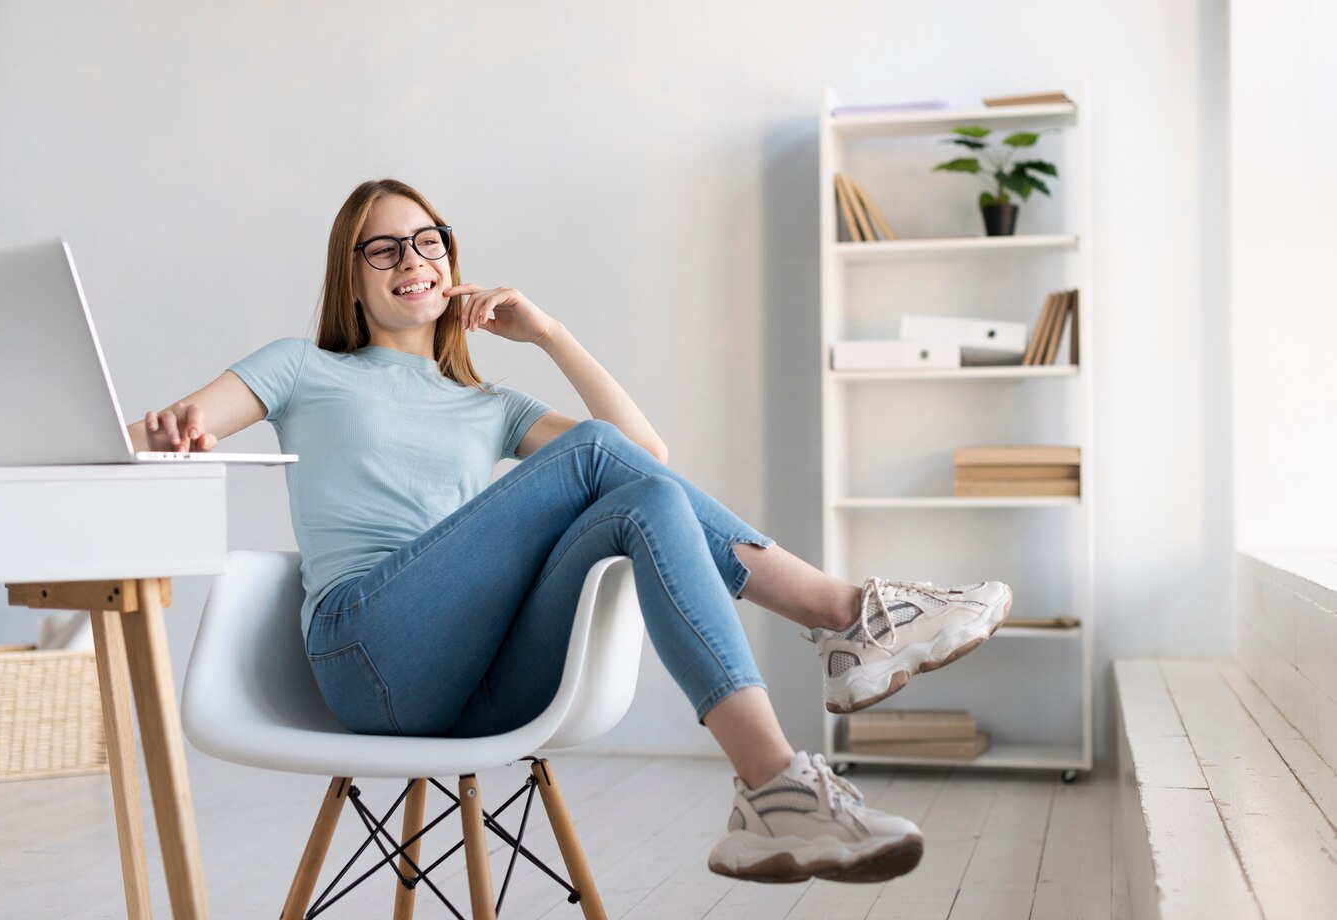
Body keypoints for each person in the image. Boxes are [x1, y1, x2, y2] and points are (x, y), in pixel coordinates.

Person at [127, 178, 1012, 885]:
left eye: (430, 240)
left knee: (646, 502)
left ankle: (771, 790)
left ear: (452, 263)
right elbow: (161, 431)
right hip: (366, 654)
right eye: (384, 248)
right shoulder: (300, 366)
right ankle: (846, 614)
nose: (413, 260)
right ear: (349, 274)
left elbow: (651, 461)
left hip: (468, 678)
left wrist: (549, 333)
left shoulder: (489, 404)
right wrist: (171, 434)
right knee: (599, 458)